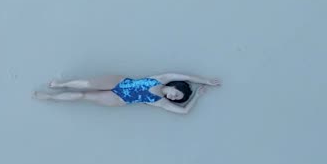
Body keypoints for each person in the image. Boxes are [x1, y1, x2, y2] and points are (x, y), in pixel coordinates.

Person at [32, 72, 221, 114]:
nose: (172, 98)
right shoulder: (162, 78)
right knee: (88, 83)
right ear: (175, 86)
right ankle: (60, 84)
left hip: (120, 98)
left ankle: (49, 97)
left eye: (176, 99)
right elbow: (183, 74)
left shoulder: (159, 101)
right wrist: (205, 81)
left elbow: (185, 111)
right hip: (120, 82)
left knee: (84, 95)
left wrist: (198, 95)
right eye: (176, 94)